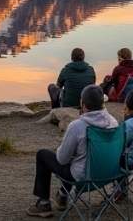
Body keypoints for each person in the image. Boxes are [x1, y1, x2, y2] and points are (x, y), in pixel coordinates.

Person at [28, 85, 119, 217]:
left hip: (84, 176)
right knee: (77, 156)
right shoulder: (113, 122)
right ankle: (63, 195)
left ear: (83, 104)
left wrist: (63, 149)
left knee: (43, 155)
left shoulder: (78, 126)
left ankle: (43, 204)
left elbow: (61, 159)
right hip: (108, 173)